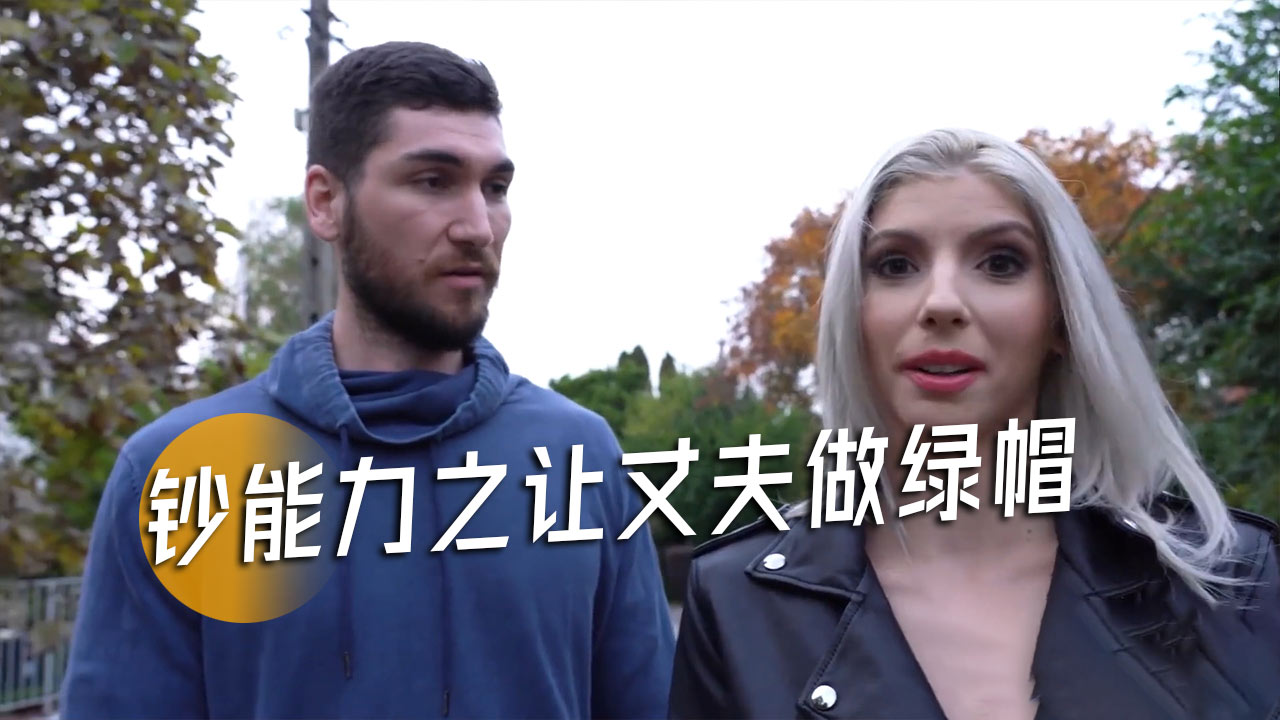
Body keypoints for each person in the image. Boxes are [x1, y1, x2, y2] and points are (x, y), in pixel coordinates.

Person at [61, 41, 674, 719]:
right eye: (433, 181)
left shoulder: (578, 459)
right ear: (326, 202)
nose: (478, 226)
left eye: (495, 188)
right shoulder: (184, 471)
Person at [668, 128, 1280, 720]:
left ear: (1061, 317)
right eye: (895, 265)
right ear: (855, 313)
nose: (941, 303)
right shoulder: (737, 602)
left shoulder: (1238, 580)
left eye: (1001, 262)